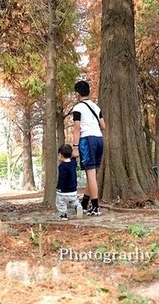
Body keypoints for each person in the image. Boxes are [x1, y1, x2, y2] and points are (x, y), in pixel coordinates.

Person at [71, 79, 105, 216]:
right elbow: (103, 126)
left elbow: (77, 128)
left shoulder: (78, 108)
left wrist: (75, 147)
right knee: (91, 174)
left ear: (78, 94)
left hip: (87, 140)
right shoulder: (96, 107)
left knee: (90, 174)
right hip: (99, 139)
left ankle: (96, 206)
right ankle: (85, 203)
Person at [55, 144, 82, 221]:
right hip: (73, 190)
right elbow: (73, 158)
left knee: (60, 202)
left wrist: (59, 187)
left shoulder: (62, 166)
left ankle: (63, 215)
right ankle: (77, 206)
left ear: (60, 155)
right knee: (73, 200)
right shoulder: (73, 163)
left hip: (64, 191)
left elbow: (62, 178)